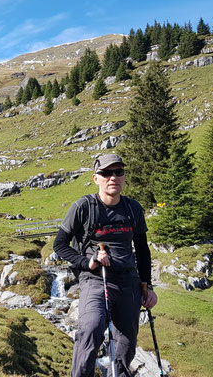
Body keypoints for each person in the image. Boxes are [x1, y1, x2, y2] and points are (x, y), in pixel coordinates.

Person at [53, 153, 157, 377]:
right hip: (96, 279)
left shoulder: (133, 209)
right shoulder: (84, 207)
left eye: (118, 172)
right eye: (106, 173)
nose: (113, 177)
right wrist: (87, 261)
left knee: (127, 345)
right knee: (91, 329)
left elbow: (142, 250)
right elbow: (59, 245)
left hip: (128, 282)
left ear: (124, 177)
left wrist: (147, 287)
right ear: (95, 178)